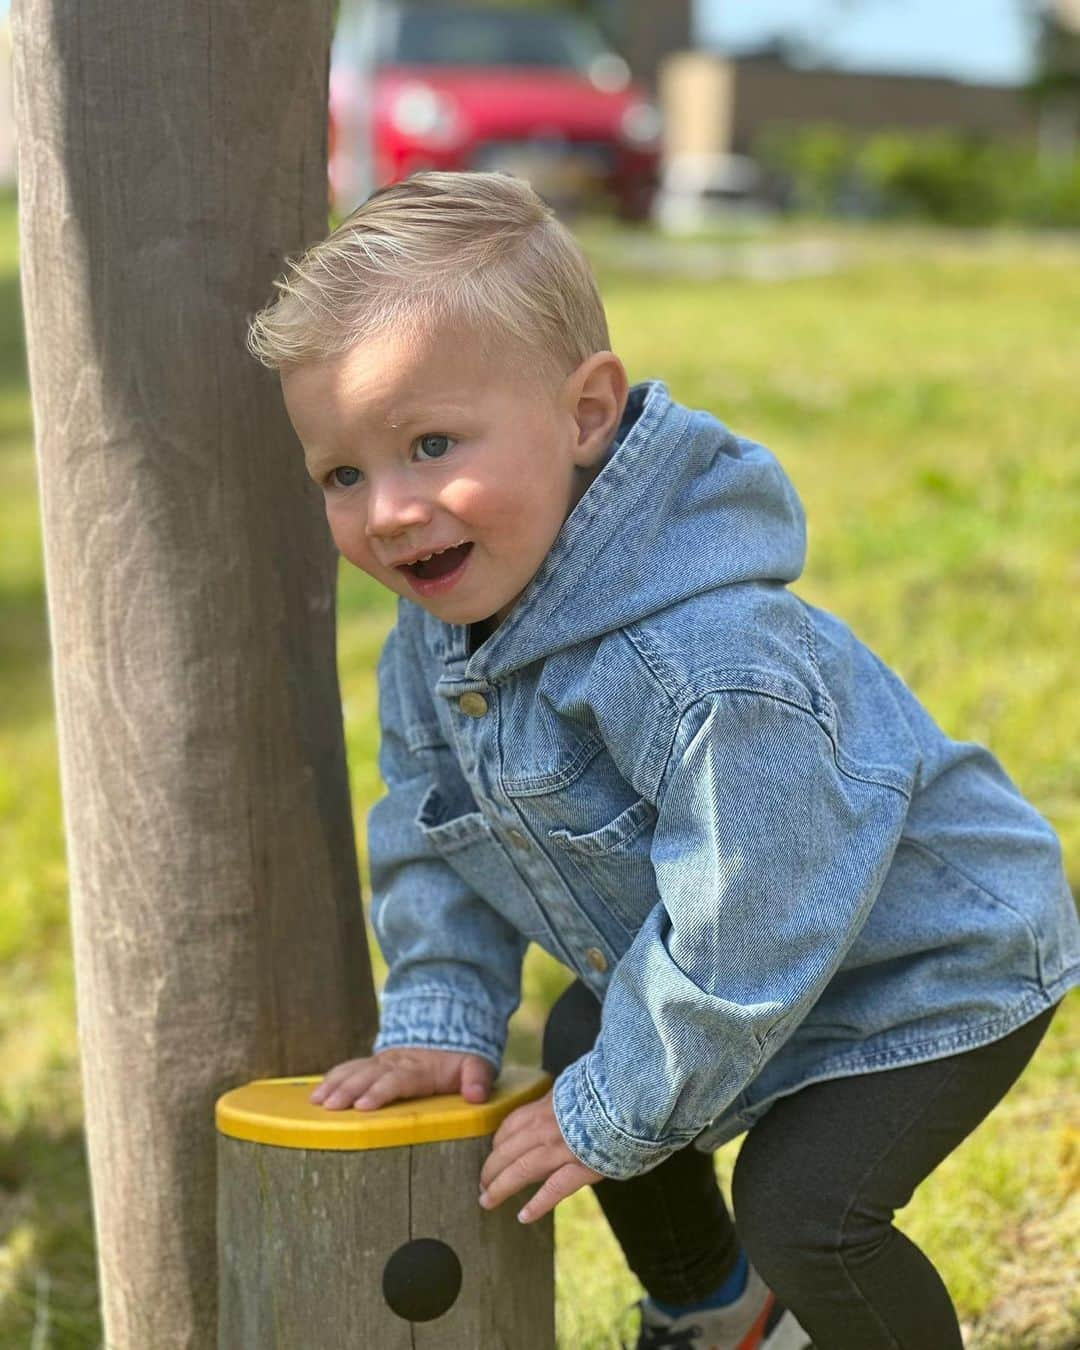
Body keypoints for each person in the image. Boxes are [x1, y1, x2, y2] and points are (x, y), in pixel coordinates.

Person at [246, 170, 1078, 1350]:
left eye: (431, 444)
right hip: (757, 957)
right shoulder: (441, 642)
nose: (388, 511)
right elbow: (436, 830)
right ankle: (724, 1320)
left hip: (933, 964)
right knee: (593, 1040)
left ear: (587, 416)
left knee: (804, 1207)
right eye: (344, 474)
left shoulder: (699, 661)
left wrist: (615, 1112)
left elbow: (758, 913)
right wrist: (441, 1012)